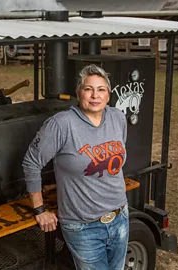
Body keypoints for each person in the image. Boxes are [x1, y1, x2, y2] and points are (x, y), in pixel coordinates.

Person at [22, 64, 129, 270]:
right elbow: (31, 162)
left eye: (101, 89)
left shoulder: (118, 118)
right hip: (83, 226)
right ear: (78, 92)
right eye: (88, 89)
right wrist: (39, 209)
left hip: (119, 217)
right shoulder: (61, 124)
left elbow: (116, 159)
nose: (94, 95)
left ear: (108, 94)